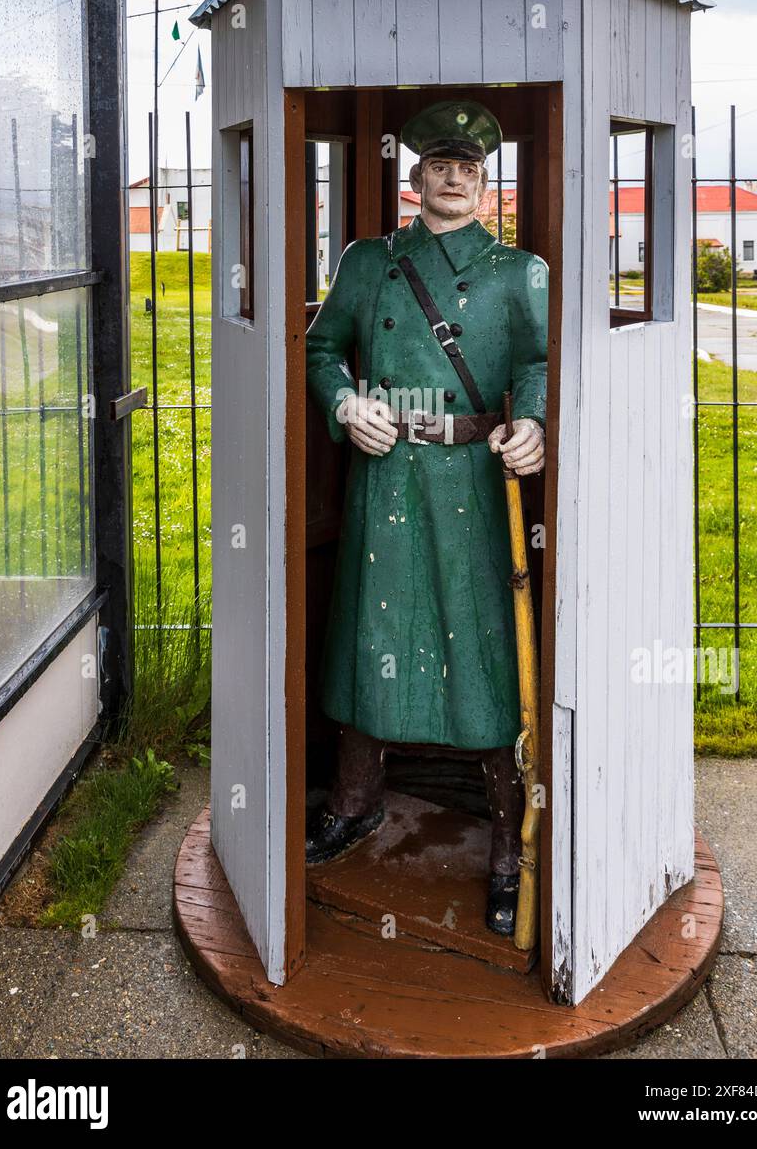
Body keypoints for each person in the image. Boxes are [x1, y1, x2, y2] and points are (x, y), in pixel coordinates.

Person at [304, 100, 548, 935]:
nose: (454, 178)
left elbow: (542, 362)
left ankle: (512, 838)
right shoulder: (369, 262)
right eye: (440, 165)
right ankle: (355, 799)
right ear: (415, 179)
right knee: (371, 632)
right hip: (387, 477)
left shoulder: (521, 273)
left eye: (469, 168)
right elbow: (322, 347)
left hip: (474, 482)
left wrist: (535, 424)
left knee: (481, 641)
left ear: (486, 183)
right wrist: (344, 405)